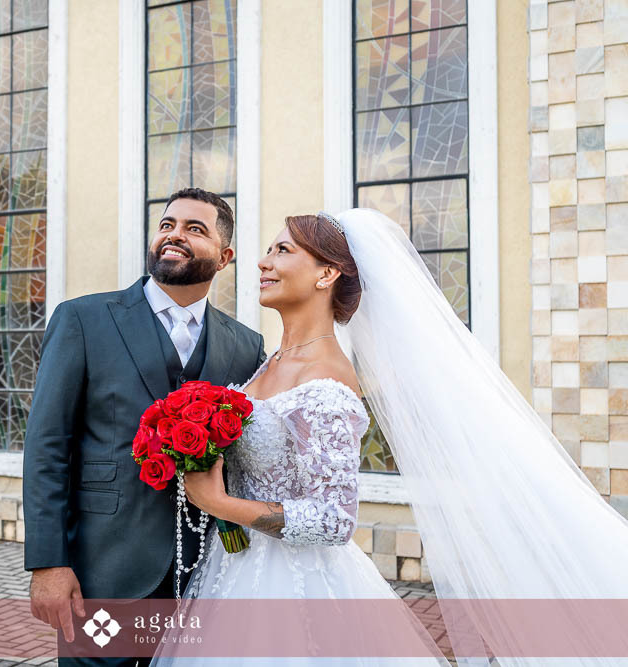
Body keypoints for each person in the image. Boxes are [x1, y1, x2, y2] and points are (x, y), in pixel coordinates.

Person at [153, 210, 628, 666]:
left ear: (326, 274)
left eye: (282, 249)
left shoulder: (328, 384)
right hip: (231, 571)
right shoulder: (269, 361)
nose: (263, 261)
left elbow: (335, 521)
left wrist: (220, 504)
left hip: (294, 590)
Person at [22, 187, 266, 667]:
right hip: (103, 568)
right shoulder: (83, 319)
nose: (175, 236)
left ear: (225, 256)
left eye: (195, 229)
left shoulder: (245, 345)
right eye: (168, 225)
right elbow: (48, 447)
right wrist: (49, 563)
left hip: (204, 573)